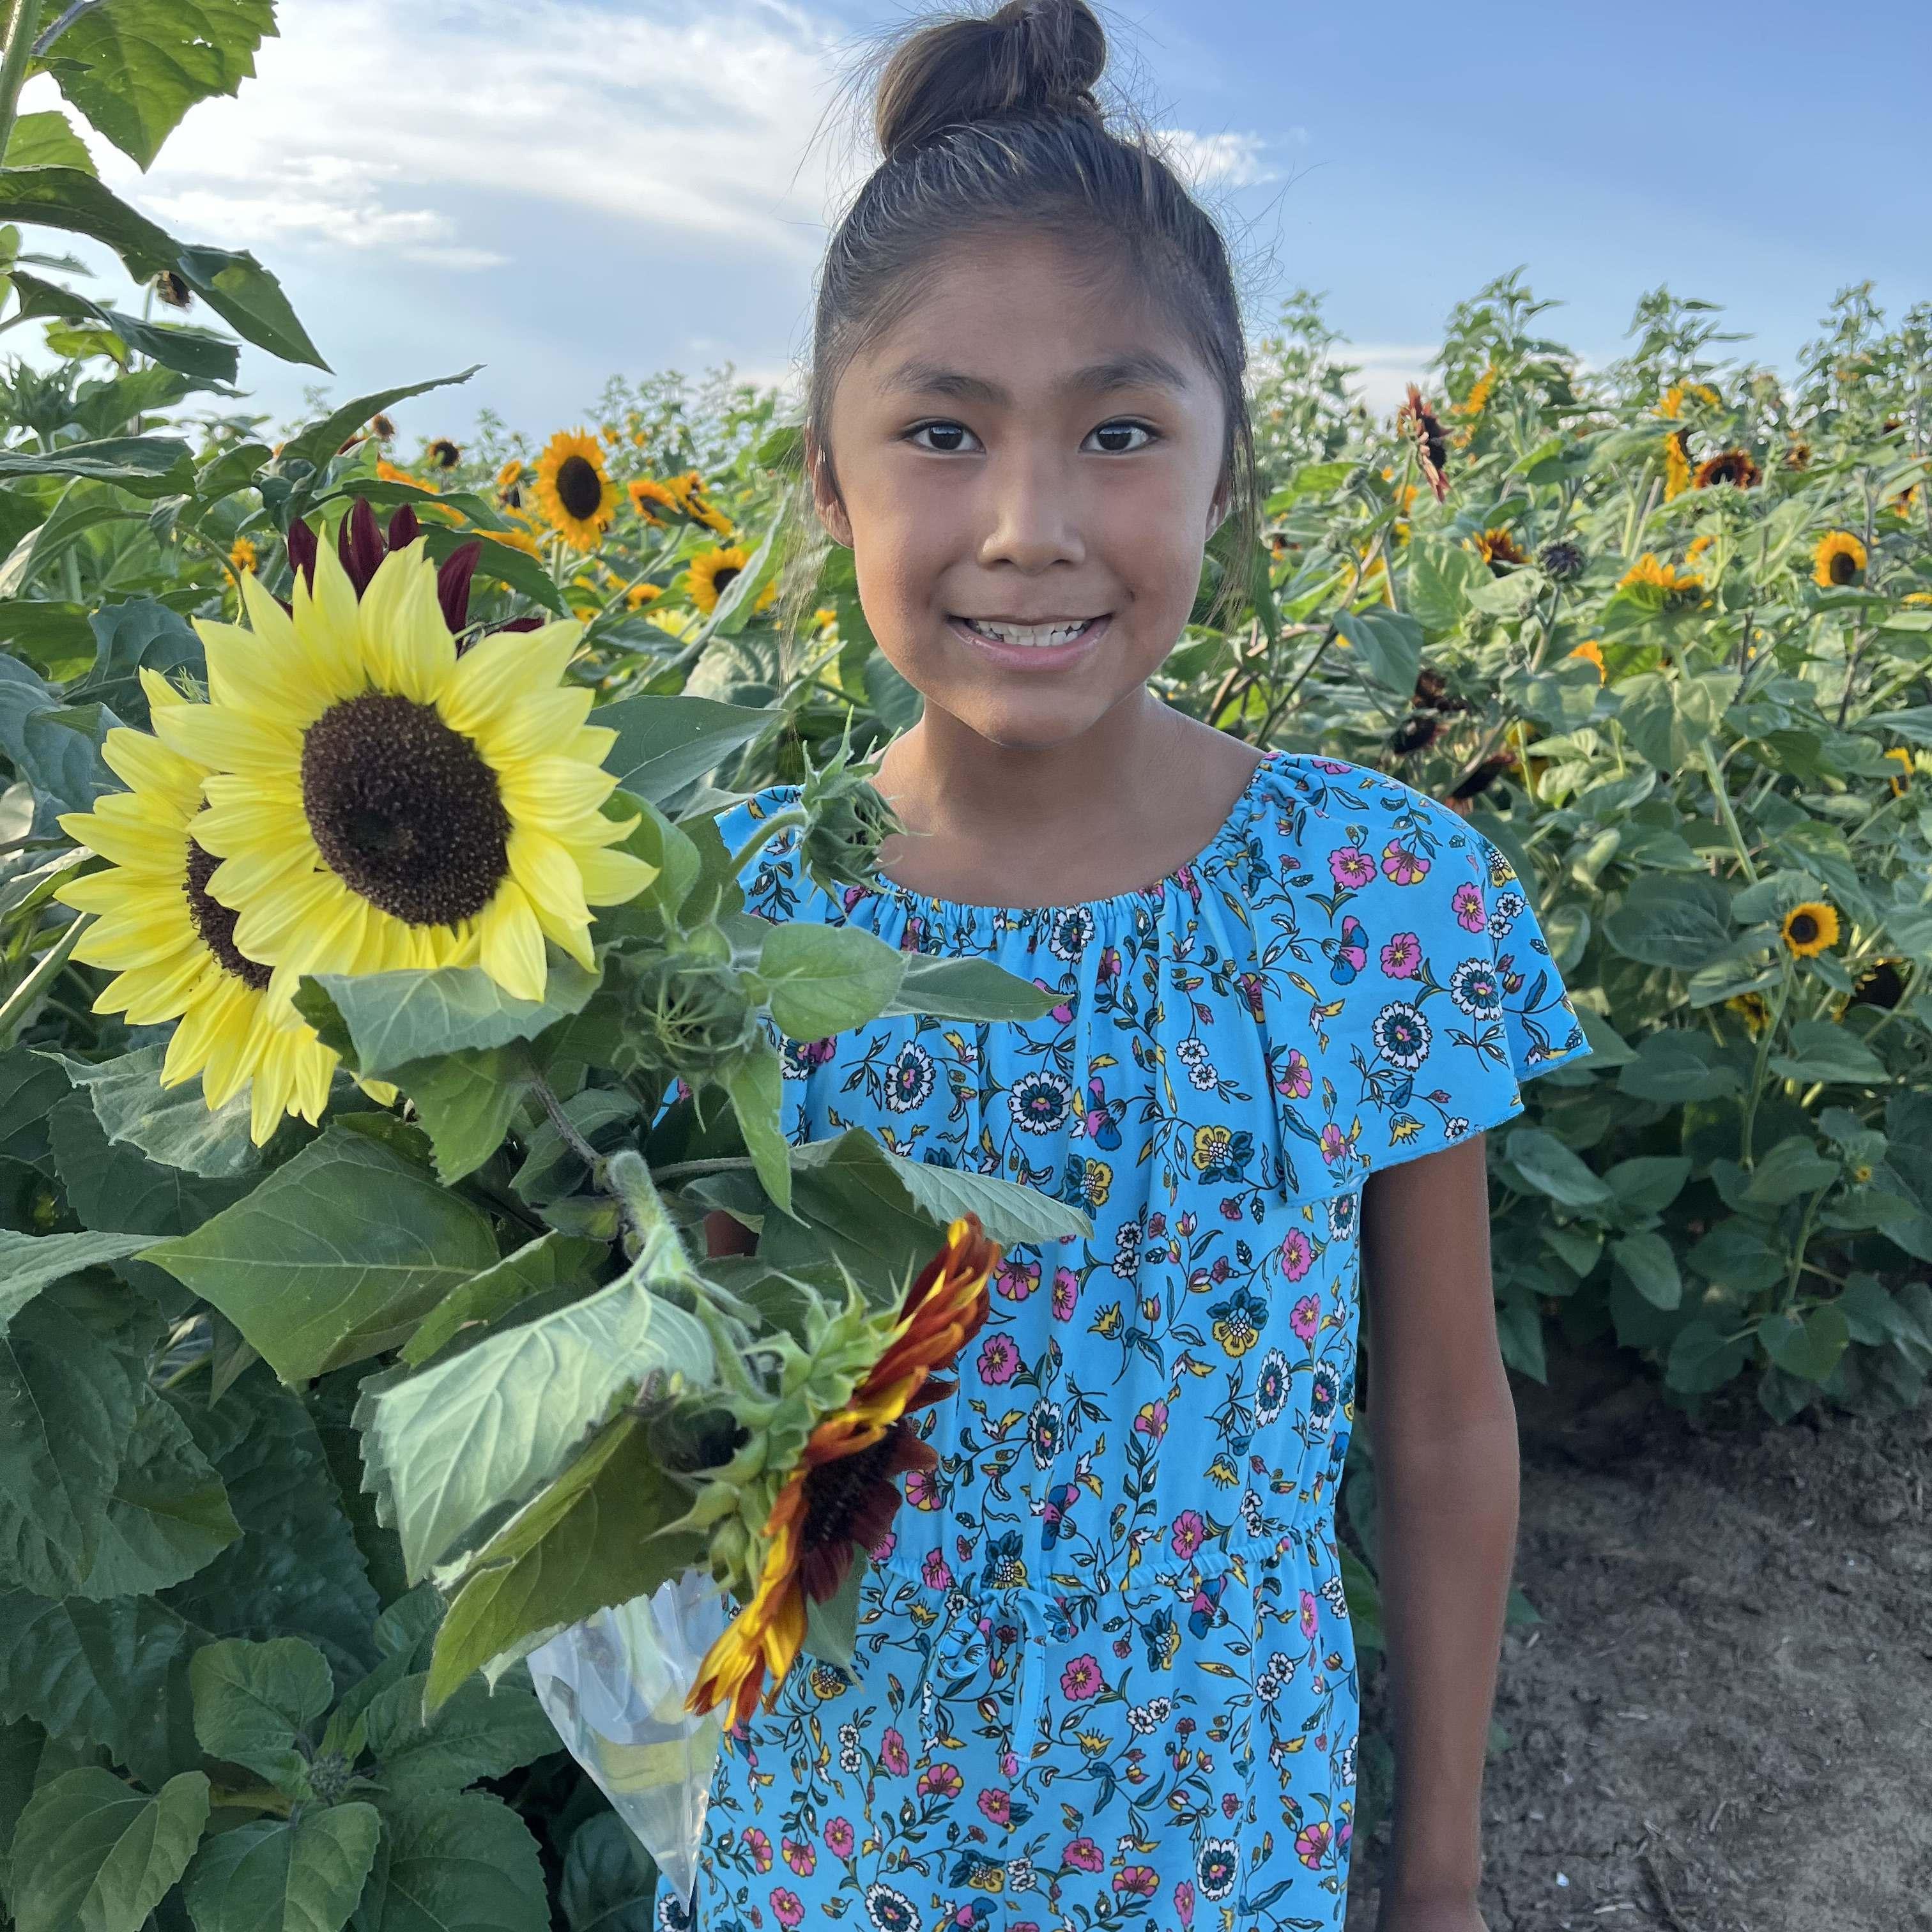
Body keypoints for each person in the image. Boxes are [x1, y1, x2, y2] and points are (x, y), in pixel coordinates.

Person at [675, 4, 1590, 1928]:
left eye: (1119, 433)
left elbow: (1439, 1422)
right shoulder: (729, 925)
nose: (1032, 529)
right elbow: (715, 1420)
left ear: (1225, 471)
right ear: (828, 482)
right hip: (828, 1850)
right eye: (942, 434)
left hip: (1218, 1852)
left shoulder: (1374, 898)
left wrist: (1437, 1869)